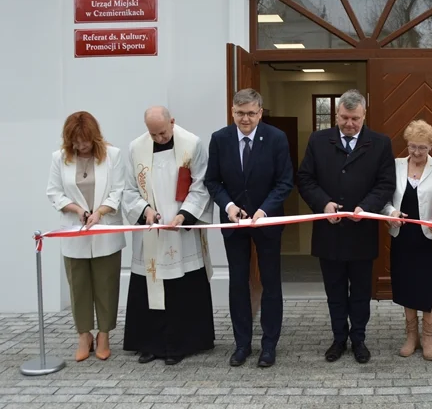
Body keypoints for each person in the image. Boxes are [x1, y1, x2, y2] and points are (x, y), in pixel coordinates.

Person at [297, 89, 395, 364]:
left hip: (362, 231)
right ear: (336, 114)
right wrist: (323, 203)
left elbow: (386, 183)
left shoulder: (380, 143)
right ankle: (339, 338)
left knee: (361, 292)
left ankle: (359, 339)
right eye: (344, 118)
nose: (349, 124)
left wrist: (367, 206)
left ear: (364, 115)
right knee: (335, 291)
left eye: (355, 119)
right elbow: (305, 179)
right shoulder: (318, 140)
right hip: (329, 232)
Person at [205, 88, 294, 367]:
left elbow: (284, 181)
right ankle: (242, 344)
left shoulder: (277, 138)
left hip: (266, 221)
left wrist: (264, 209)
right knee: (238, 283)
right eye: (240, 113)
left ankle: (269, 345)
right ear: (232, 111)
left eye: (251, 113)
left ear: (260, 111)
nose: (246, 119)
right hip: (233, 223)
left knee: (270, 283)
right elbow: (212, 181)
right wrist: (229, 205)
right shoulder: (220, 139)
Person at [121, 106, 215, 365]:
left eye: (162, 132)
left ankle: (182, 343)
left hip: (180, 228)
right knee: (149, 284)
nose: (159, 138)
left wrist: (184, 215)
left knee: (181, 287)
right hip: (151, 229)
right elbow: (128, 189)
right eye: (153, 135)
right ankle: (149, 343)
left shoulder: (192, 144)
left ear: (172, 122)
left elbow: (201, 184)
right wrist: (145, 211)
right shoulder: (135, 148)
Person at [46, 112, 125, 362]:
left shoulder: (113, 156)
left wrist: (100, 212)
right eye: (75, 141)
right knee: (78, 286)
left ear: (94, 136)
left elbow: (118, 191)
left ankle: (104, 335)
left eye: (85, 141)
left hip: (105, 230)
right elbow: (54, 192)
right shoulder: (59, 158)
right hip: (74, 230)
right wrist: (77, 209)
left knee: (106, 284)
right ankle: (84, 335)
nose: (80, 146)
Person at [381, 120, 432, 361]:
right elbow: (386, 198)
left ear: (431, 145)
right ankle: (411, 336)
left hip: (430, 237)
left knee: (429, 286)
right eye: (412, 147)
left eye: (422, 147)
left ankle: (428, 336)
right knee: (407, 284)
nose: (417, 152)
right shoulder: (395, 165)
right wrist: (391, 213)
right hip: (403, 236)